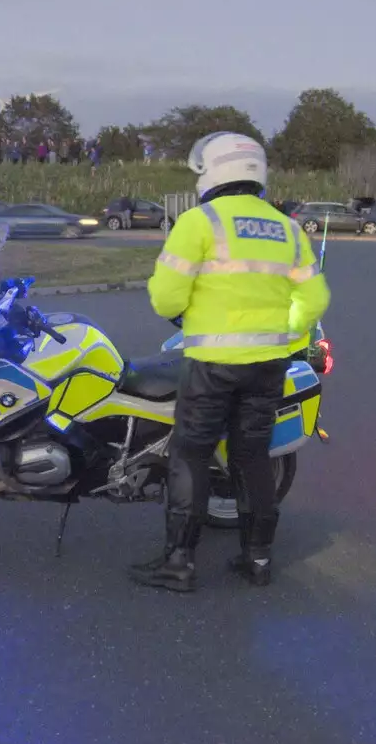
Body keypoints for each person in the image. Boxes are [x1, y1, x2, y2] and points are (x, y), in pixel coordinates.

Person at [129, 132, 331, 592]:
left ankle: (179, 563)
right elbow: (314, 298)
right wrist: (284, 330)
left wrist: (191, 309)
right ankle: (257, 559)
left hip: (211, 364)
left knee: (191, 454)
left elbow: (165, 298)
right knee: (251, 457)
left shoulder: (200, 223)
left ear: (214, 171)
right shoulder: (288, 228)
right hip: (268, 366)